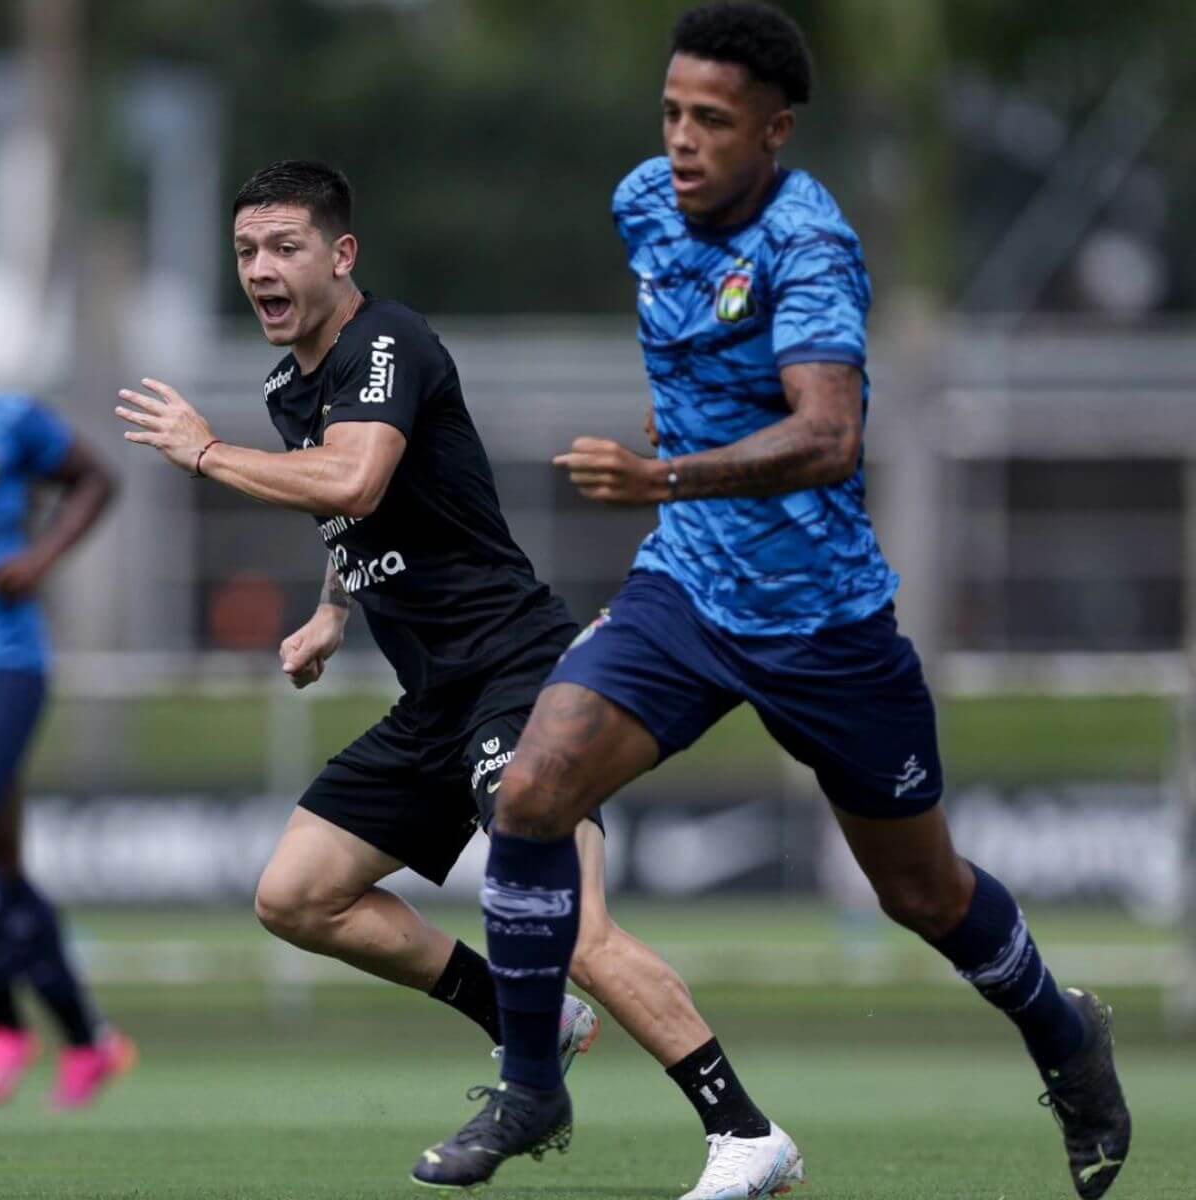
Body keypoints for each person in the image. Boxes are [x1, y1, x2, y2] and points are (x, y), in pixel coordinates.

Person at [417, 6, 1131, 1199]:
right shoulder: (643, 202)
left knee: (923, 892)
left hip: (825, 625)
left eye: (713, 121)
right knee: (532, 791)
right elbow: (697, 360)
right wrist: (679, 457)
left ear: (775, 132)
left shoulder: (811, 245)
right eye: (672, 112)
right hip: (687, 593)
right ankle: (533, 1081)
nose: (683, 141)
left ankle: (1065, 1036)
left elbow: (828, 432)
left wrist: (666, 471)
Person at [115, 158, 796, 1197]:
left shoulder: (389, 341)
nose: (261, 268)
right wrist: (333, 609)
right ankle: (525, 1019)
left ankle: (746, 1132)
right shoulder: (291, 384)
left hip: (520, 675)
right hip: (437, 696)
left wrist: (207, 454)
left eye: (285, 247)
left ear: (342, 255)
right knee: (297, 895)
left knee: (571, 923)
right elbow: (353, 513)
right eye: (247, 250)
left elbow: (354, 475)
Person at [0, 394, 131, 1109]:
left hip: (6, 659)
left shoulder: (10, 418)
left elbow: (98, 477)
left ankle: (15, 1032)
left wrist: (41, 557)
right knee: (5, 864)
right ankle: (81, 1037)